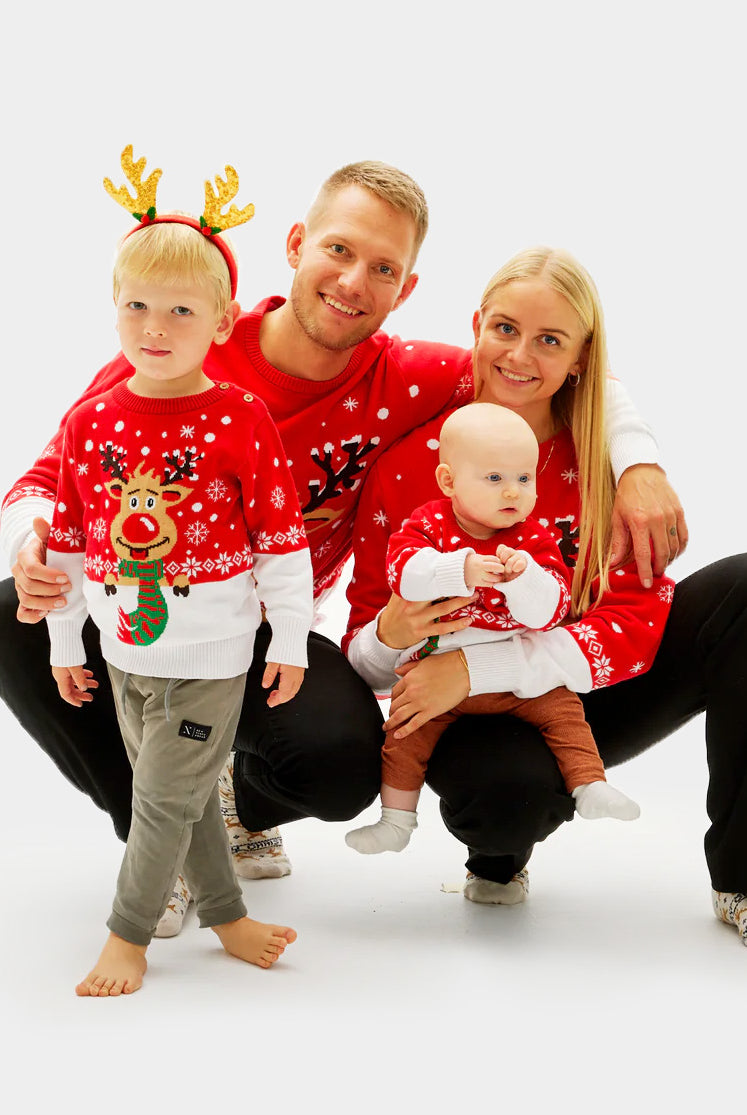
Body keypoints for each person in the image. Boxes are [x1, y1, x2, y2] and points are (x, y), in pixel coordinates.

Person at [0, 157, 685, 935]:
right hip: (139, 602)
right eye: (339, 250)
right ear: (295, 244)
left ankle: (227, 805)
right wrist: (31, 543)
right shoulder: (183, 346)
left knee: (339, 763)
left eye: (383, 267)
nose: (354, 281)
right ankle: (162, 847)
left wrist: (637, 462)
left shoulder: (413, 378)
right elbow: (46, 476)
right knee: (9, 611)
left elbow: (550, 367)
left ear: (407, 290)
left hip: (260, 624)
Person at [343, 246, 747, 946]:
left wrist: (480, 666)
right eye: (503, 329)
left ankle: (740, 878)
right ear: (475, 326)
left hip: (583, 689)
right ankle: (498, 855)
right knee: (504, 801)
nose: (519, 356)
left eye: (548, 340)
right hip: (464, 713)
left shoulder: (605, 464)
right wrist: (396, 633)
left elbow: (630, 620)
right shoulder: (412, 467)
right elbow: (366, 666)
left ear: (581, 359)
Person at [46, 153, 312, 995]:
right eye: (137, 306)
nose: (154, 327)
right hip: (126, 652)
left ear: (222, 321)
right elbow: (70, 543)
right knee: (190, 796)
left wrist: (291, 639)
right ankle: (227, 915)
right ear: (113, 309)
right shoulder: (89, 422)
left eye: (180, 310)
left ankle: (129, 937)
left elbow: (280, 539)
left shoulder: (240, 417)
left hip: (214, 656)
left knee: (158, 797)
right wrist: (64, 642)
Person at [345, 403, 641, 855]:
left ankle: (589, 786)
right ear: (449, 481)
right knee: (403, 735)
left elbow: (550, 612)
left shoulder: (533, 537)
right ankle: (396, 819)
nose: (513, 493)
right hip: (435, 678)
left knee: (565, 713)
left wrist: (527, 578)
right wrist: (458, 569)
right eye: (495, 479)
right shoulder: (428, 525)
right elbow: (403, 572)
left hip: (514, 682)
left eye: (524, 479)